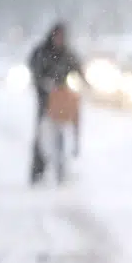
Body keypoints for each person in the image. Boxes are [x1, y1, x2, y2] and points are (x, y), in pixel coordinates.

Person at [27, 22, 84, 182]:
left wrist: (85, 82)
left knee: (61, 133)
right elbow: (35, 71)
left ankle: (60, 168)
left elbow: (77, 67)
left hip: (61, 99)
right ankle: (38, 171)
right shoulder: (42, 52)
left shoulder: (66, 53)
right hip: (45, 100)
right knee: (42, 135)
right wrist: (45, 83)